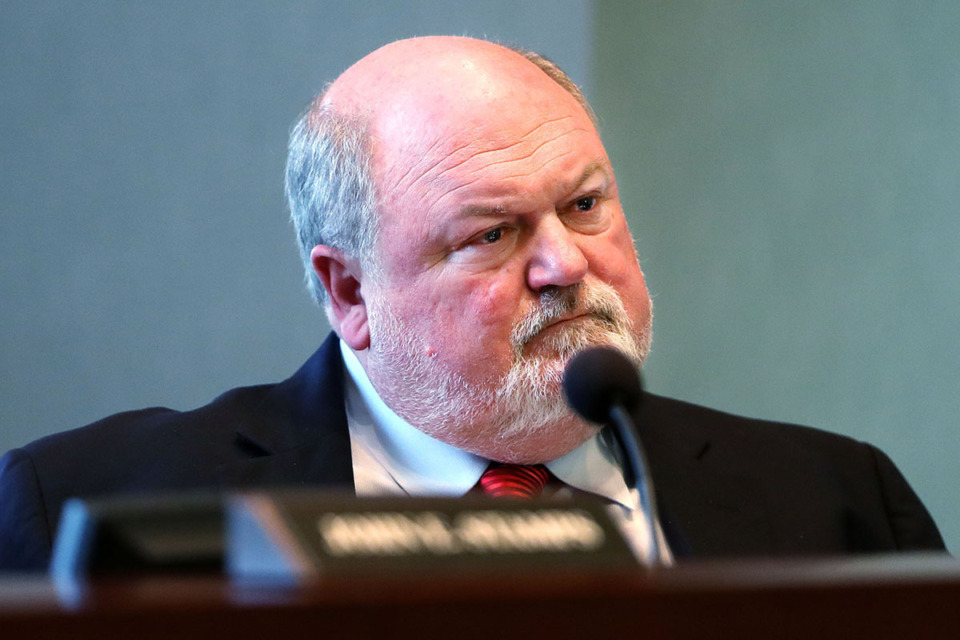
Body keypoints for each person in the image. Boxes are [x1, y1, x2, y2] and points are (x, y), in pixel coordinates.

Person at [0, 36, 944, 571]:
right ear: (349, 290)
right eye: (491, 235)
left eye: (584, 205)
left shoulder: (840, 503)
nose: (565, 265)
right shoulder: (84, 508)